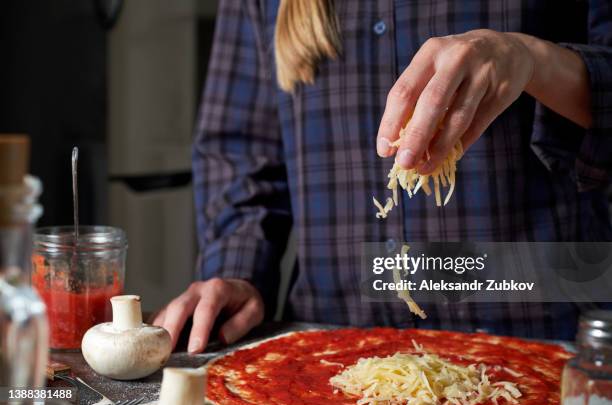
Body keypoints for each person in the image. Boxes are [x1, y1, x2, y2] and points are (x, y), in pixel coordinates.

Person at [153, 0, 612, 353]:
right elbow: (243, 153)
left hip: (546, 336)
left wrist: (532, 58)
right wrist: (238, 274)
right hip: (332, 345)